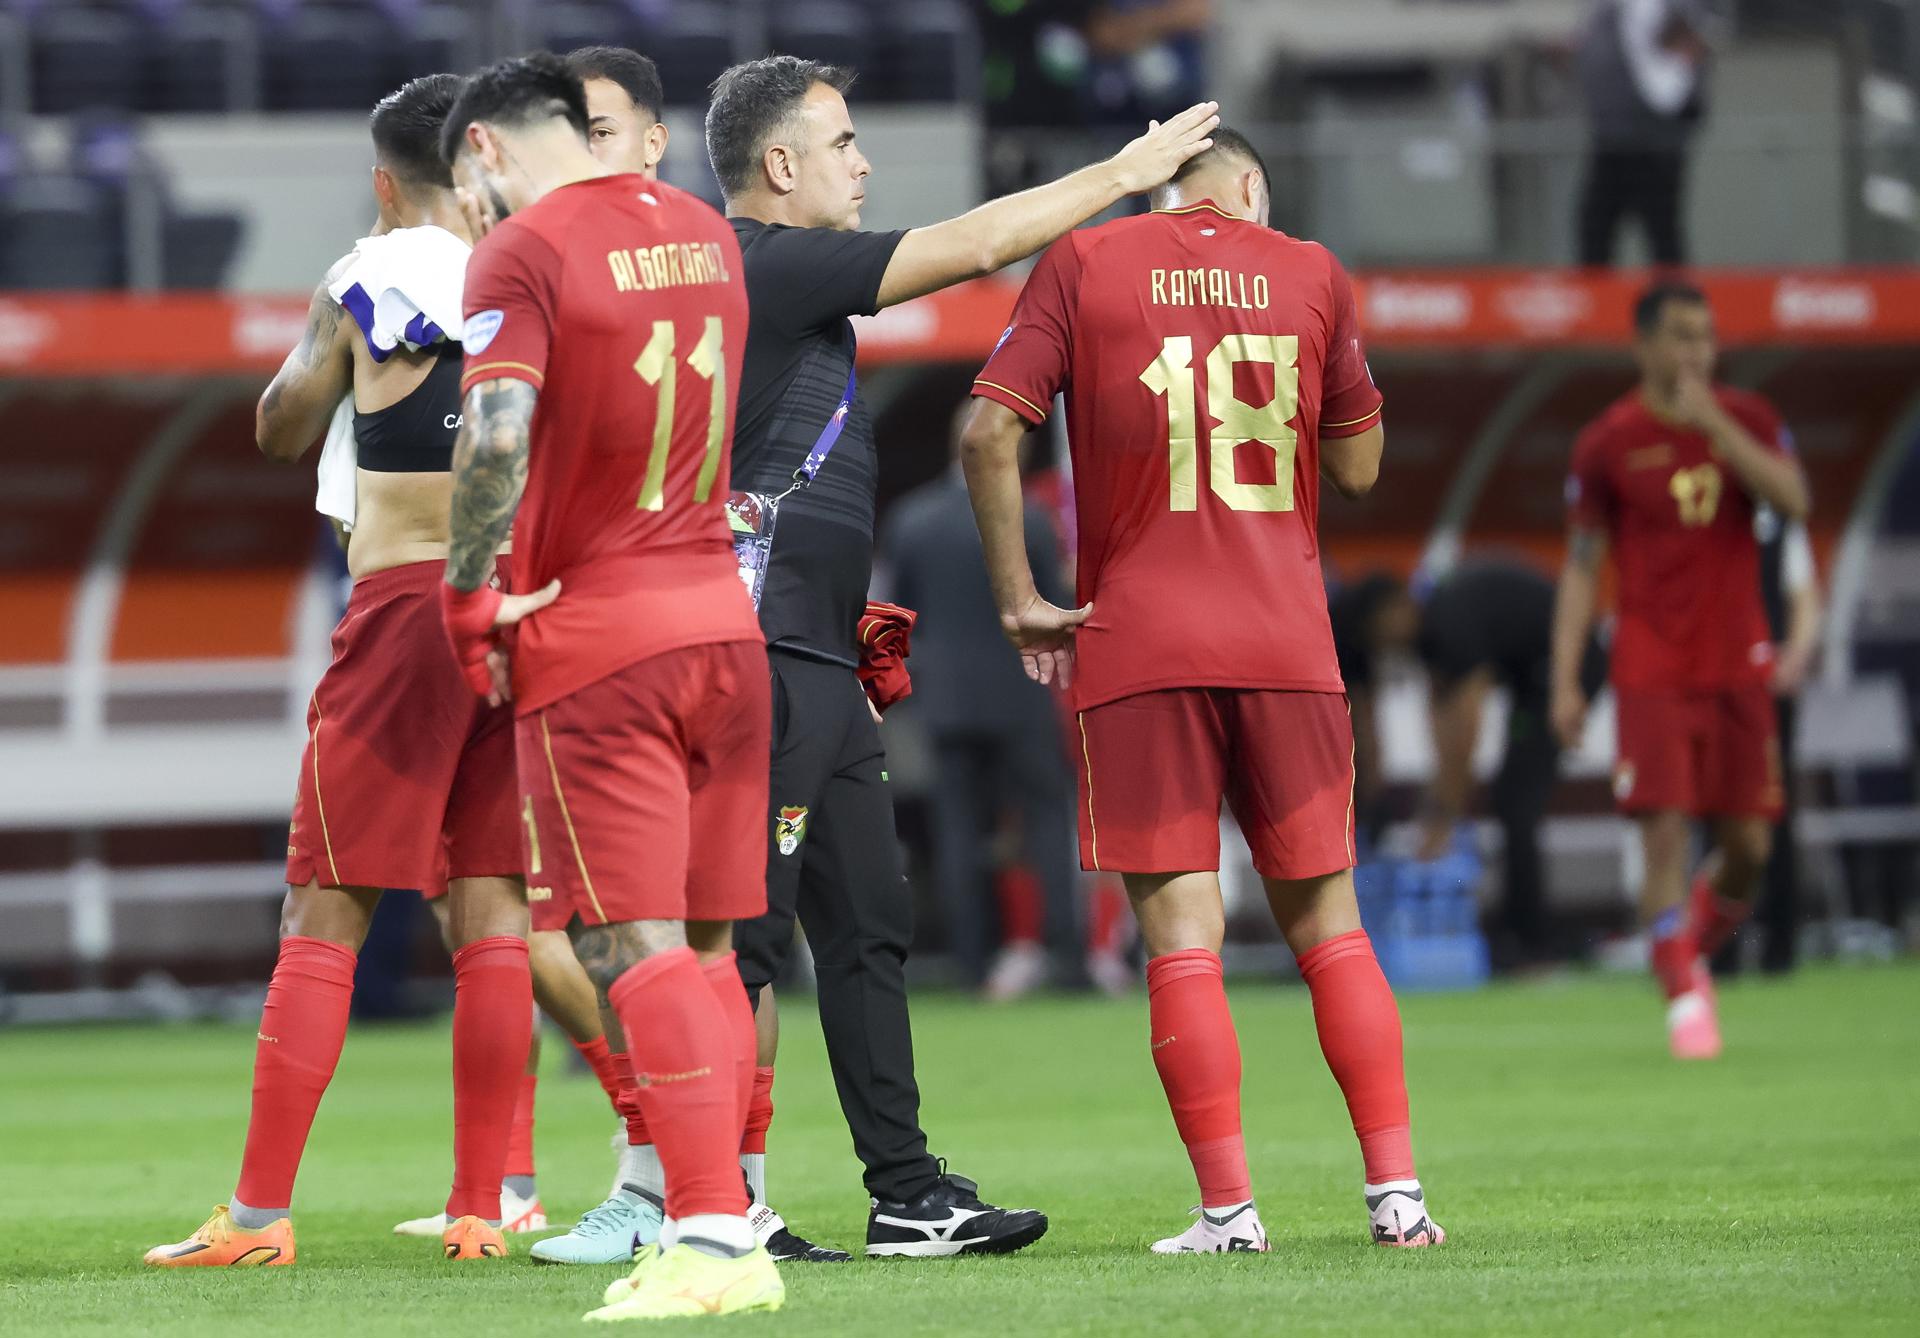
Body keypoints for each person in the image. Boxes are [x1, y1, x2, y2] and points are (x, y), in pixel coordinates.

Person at [704, 53, 1217, 1259]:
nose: (863, 163)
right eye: (841, 144)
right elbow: (978, 244)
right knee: (751, 943)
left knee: (871, 926)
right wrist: (1125, 172)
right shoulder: (760, 263)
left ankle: (904, 1193)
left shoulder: (793, 287)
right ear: (781, 167)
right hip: (761, 657)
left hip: (821, 661)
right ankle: (711, 1200)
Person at [962, 127, 1445, 1253]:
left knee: (1183, 936)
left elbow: (989, 430)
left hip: (1143, 645)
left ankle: (1230, 1212)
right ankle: (1398, 1198)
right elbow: (1362, 466)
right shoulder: (1312, 269)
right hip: (1288, 641)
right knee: (1331, 927)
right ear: (1251, 189)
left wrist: (1020, 595)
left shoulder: (1087, 261)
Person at [144, 75, 534, 1269]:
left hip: (410, 601)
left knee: (323, 910)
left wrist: (335, 302)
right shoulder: (536, 273)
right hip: (526, 609)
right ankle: (484, 1207)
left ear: (383, 181)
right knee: (495, 916)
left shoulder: (364, 277)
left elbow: (278, 424)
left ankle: (257, 1218)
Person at [439, 54, 782, 1321]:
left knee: (622, 940)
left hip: (603, 638)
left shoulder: (523, 250)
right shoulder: (704, 229)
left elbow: (496, 432)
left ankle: (707, 1239)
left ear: (481, 146)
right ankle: (732, 1204)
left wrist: (469, 594)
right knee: (706, 948)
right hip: (720, 625)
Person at [1550, 279, 1809, 1060]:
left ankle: (1681, 946)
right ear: (1645, 345)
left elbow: (1795, 500)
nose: (1697, 351)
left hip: (1738, 664)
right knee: (1662, 836)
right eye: (1683, 336)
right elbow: (1581, 565)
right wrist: (1568, 679)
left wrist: (1717, 426)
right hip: (1651, 668)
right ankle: (1686, 1000)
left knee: (1751, 849)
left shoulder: (1751, 419)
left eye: (1706, 337)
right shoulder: (1608, 441)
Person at [882, 402, 1083, 995]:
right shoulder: (1033, 518)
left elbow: (899, 613)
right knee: (1047, 823)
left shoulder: (912, 518)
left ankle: (973, 961)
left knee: (958, 832)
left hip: (946, 701)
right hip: (1022, 690)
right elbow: (1050, 605)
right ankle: (1065, 957)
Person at [1328, 559, 1608, 968]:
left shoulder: (1448, 625)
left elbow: (1464, 736)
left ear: (1396, 609)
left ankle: (1531, 942)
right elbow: (1441, 725)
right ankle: (1523, 932)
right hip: (1530, 681)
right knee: (1512, 796)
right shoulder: (1429, 639)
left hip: (1569, 668)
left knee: (1517, 799)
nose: (1384, 649)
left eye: (1379, 635)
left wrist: (1441, 818)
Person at [1575, 0, 1716, 266]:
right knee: (1596, 229)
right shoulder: (1609, 18)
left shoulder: (1683, 11)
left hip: (1660, 149)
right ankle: (1597, 303)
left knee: (1663, 232)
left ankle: (1674, 301)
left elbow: (1696, 60)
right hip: (1614, 145)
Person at [1750, 513, 1821, 973]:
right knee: (1714, 821)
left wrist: (1794, 657)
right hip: (1714, 687)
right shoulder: (1700, 514)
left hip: (1770, 690)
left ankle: (1781, 947)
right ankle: (1721, 950)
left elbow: (1806, 598)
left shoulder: (1779, 523)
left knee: (1775, 813)